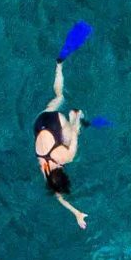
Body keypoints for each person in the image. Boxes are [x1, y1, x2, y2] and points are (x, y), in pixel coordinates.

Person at [33, 55, 87, 229]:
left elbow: (75, 137)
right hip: (40, 121)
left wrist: (76, 123)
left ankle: (74, 116)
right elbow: (58, 197)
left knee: (73, 134)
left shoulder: (67, 157)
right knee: (59, 97)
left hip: (57, 122)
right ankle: (58, 66)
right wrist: (76, 212)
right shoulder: (45, 169)